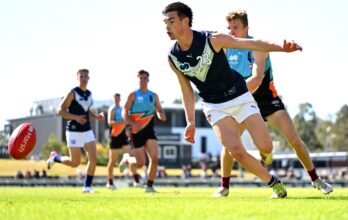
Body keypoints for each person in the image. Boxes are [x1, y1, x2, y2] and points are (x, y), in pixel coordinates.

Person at [162, 2, 302, 198]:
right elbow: (186, 90)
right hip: (214, 106)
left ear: (185, 21)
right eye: (165, 22)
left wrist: (281, 47)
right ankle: (273, 183)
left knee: (266, 146)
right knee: (235, 149)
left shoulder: (213, 39)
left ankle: (266, 155)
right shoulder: (172, 57)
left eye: (171, 21)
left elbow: (250, 44)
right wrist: (190, 122)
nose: (167, 26)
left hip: (240, 96)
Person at [213, 10, 333, 197]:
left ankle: (316, 180)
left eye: (235, 27)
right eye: (229, 28)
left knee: (294, 140)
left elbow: (257, 78)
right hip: (241, 101)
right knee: (229, 144)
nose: (231, 32)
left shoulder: (258, 46)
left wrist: (232, 94)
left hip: (266, 99)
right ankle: (224, 187)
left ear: (246, 27)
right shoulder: (226, 49)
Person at [46, 68, 104, 193]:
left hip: (87, 130)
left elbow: (86, 110)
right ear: (77, 78)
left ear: (89, 78)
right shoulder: (72, 93)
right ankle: (55, 157)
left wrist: (96, 117)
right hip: (73, 131)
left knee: (93, 158)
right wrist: (76, 118)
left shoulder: (89, 94)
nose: (84, 78)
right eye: (81, 76)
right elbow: (60, 110)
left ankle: (86, 186)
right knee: (75, 163)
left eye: (85, 76)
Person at [119, 69, 166, 193]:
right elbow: (124, 111)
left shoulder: (153, 96)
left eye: (145, 78)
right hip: (136, 132)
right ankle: (127, 159)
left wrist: (161, 114)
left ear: (148, 80)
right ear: (137, 79)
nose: (143, 80)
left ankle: (149, 186)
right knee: (140, 163)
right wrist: (132, 122)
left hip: (150, 132)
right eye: (140, 78)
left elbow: (160, 110)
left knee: (154, 159)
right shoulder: (133, 95)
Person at [106, 93, 138, 190]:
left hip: (123, 136)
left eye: (118, 99)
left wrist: (128, 128)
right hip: (115, 136)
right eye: (115, 98)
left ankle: (136, 181)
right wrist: (122, 123)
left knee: (130, 156)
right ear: (113, 99)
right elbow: (110, 122)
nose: (117, 100)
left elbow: (127, 122)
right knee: (112, 161)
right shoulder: (112, 109)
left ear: (120, 99)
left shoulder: (123, 108)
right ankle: (110, 182)